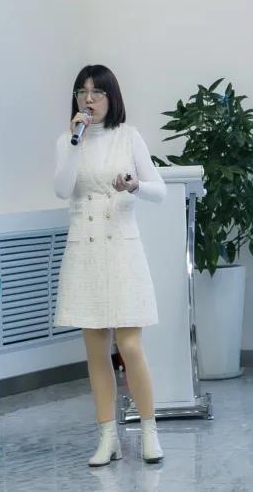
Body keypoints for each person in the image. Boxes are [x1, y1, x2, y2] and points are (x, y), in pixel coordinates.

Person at [53, 64, 166, 466]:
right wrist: (74, 142)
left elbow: (159, 190)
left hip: (121, 249)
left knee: (130, 346)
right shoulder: (68, 140)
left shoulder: (129, 136)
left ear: (111, 97)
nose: (89, 99)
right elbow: (62, 189)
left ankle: (149, 431)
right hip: (85, 249)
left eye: (97, 92)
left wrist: (135, 185)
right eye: (82, 92)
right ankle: (107, 438)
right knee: (96, 349)